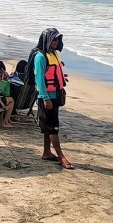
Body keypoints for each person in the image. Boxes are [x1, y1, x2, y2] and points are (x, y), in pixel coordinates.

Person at [32, 28, 71, 169]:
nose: (56, 42)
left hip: (56, 95)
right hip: (47, 97)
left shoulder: (54, 54)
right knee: (54, 128)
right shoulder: (40, 57)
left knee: (49, 126)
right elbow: (40, 80)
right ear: (47, 40)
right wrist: (45, 98)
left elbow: (54, 73)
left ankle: (47, 152)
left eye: (57, 40)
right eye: (53, 39)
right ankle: (61, 156)